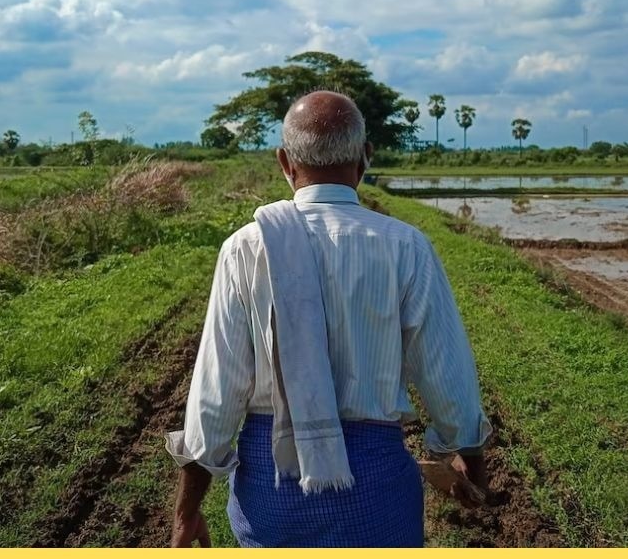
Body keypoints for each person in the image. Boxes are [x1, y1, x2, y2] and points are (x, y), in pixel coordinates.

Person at [165, 90, 492, 548]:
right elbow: (446, 374)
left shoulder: (246, 247)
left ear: (285, 162)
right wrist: (467, 453)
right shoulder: (405, 246)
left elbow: (215, 400)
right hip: (376, 494)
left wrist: (186, 511)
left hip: (272, 494)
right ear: (366, 158)